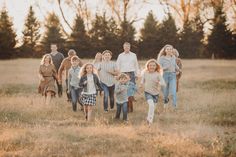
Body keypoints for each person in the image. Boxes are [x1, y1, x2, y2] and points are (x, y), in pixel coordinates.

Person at [140, 59, 166, 126]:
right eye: (150, 65)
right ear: (148, 66)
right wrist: (141, 84)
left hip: (156, 94)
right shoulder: (145, 73)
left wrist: (159, 82)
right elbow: (142, 80)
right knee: (151, 105)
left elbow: (163, 83)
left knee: (153, 108)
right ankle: (149, 122)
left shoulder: (158, 74)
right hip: (148, 92)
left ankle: (149, 118)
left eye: (153, 65)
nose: (152, 67)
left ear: (156, 66)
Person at [116, 42, 140, 111]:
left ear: (130, 47)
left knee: (130, 90)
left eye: (128, 47)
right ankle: (126, 106)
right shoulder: (120, 55)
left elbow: (136, 65)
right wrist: (118, 75)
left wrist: (137, 74)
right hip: (123, 74)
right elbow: (118, 65)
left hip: (131, 73)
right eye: (125, 47)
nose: (127, 48)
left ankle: (130, 107)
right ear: (123, 47)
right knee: (124, 90)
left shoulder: (133, 55)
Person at [157, 45, 180, 109]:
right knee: (165, 93)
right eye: (167, 49)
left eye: (170, 49)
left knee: (173, 92)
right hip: (164, 76)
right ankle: (165, 103)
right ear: (165, 50)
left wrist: (178, 69)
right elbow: (159, 68)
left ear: (172, 50)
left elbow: (175, 65)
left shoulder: (173, 57)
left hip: (172, 75)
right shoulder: (161, 58)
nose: (169, 50)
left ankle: (174, 106)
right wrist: (165, 68)